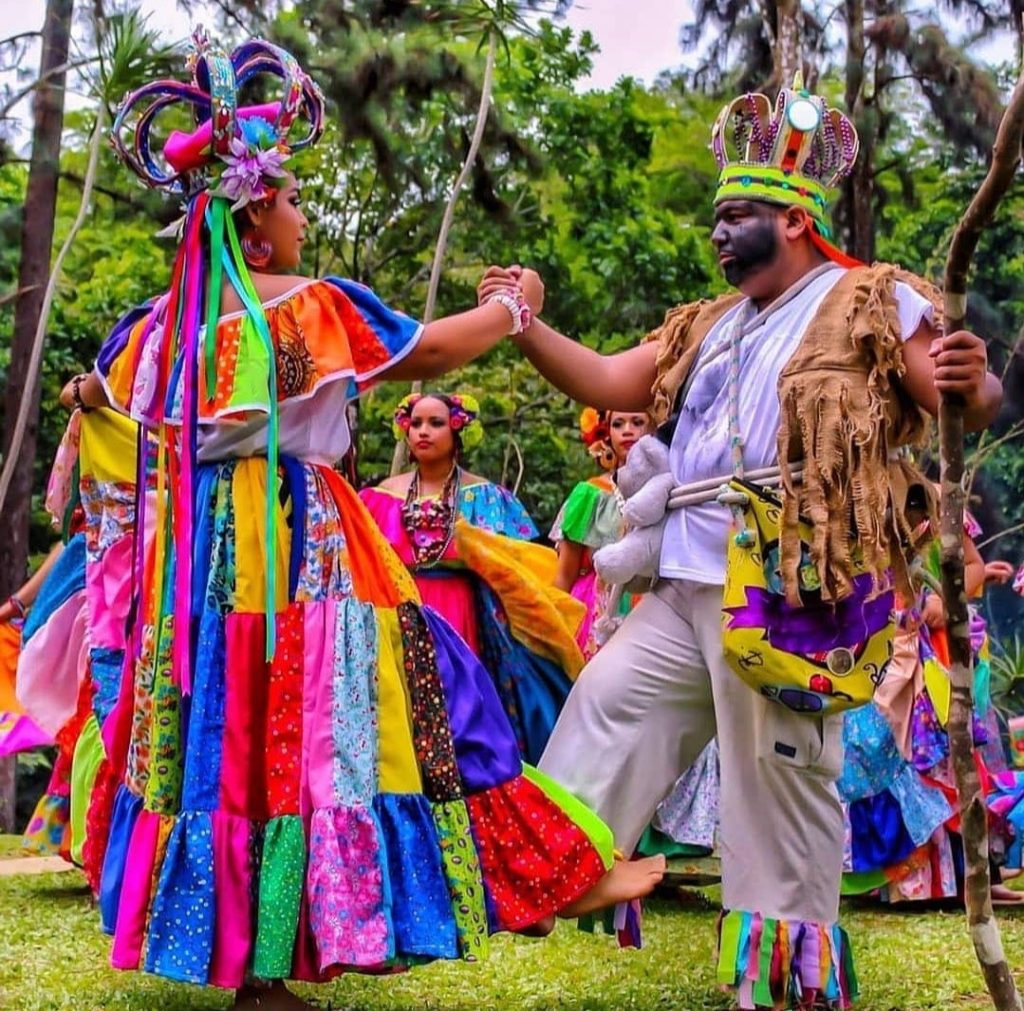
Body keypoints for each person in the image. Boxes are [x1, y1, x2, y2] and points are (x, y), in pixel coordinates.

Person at [68, 36, 662, 1011]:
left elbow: (127, 410)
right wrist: (516, 310)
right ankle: (543, 872)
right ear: (257, 217)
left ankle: (260, 977)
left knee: (239, 746)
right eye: (295, 199)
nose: (304, 218)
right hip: (304, 551)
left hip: (202, 568)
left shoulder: (160, 329)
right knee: (405, 711)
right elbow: (427, 352)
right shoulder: (303, 313)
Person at [478, 76, 1002, 1009]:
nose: (719, 231)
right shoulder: (708, 327)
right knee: (601, 705)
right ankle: (580, 862)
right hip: (683, 576)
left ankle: (788, 981)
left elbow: (957, 394)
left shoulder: (873, 298)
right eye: (717, 215)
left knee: (778, 786)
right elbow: (604, 377)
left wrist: (980, 382)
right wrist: (521, 318)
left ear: (798, 221)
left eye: (740, 213)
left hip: (794, 584)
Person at [360, 392, 584, 763]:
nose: (423, 432)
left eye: (435, 423)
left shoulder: (487, 497)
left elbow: (519, 564)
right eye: (416, 423)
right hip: (399, 611)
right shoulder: (379, 497)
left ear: (457, 429)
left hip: (461, 609)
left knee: (458, 704)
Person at [551, 408, 651, 658]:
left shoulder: (675, 490)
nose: (628, 430)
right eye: (618, 424)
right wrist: (551, 630)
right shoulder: (589, 495)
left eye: (637, 421)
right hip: (594, 613)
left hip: (653, 610)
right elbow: (565, 576)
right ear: (606, 435)